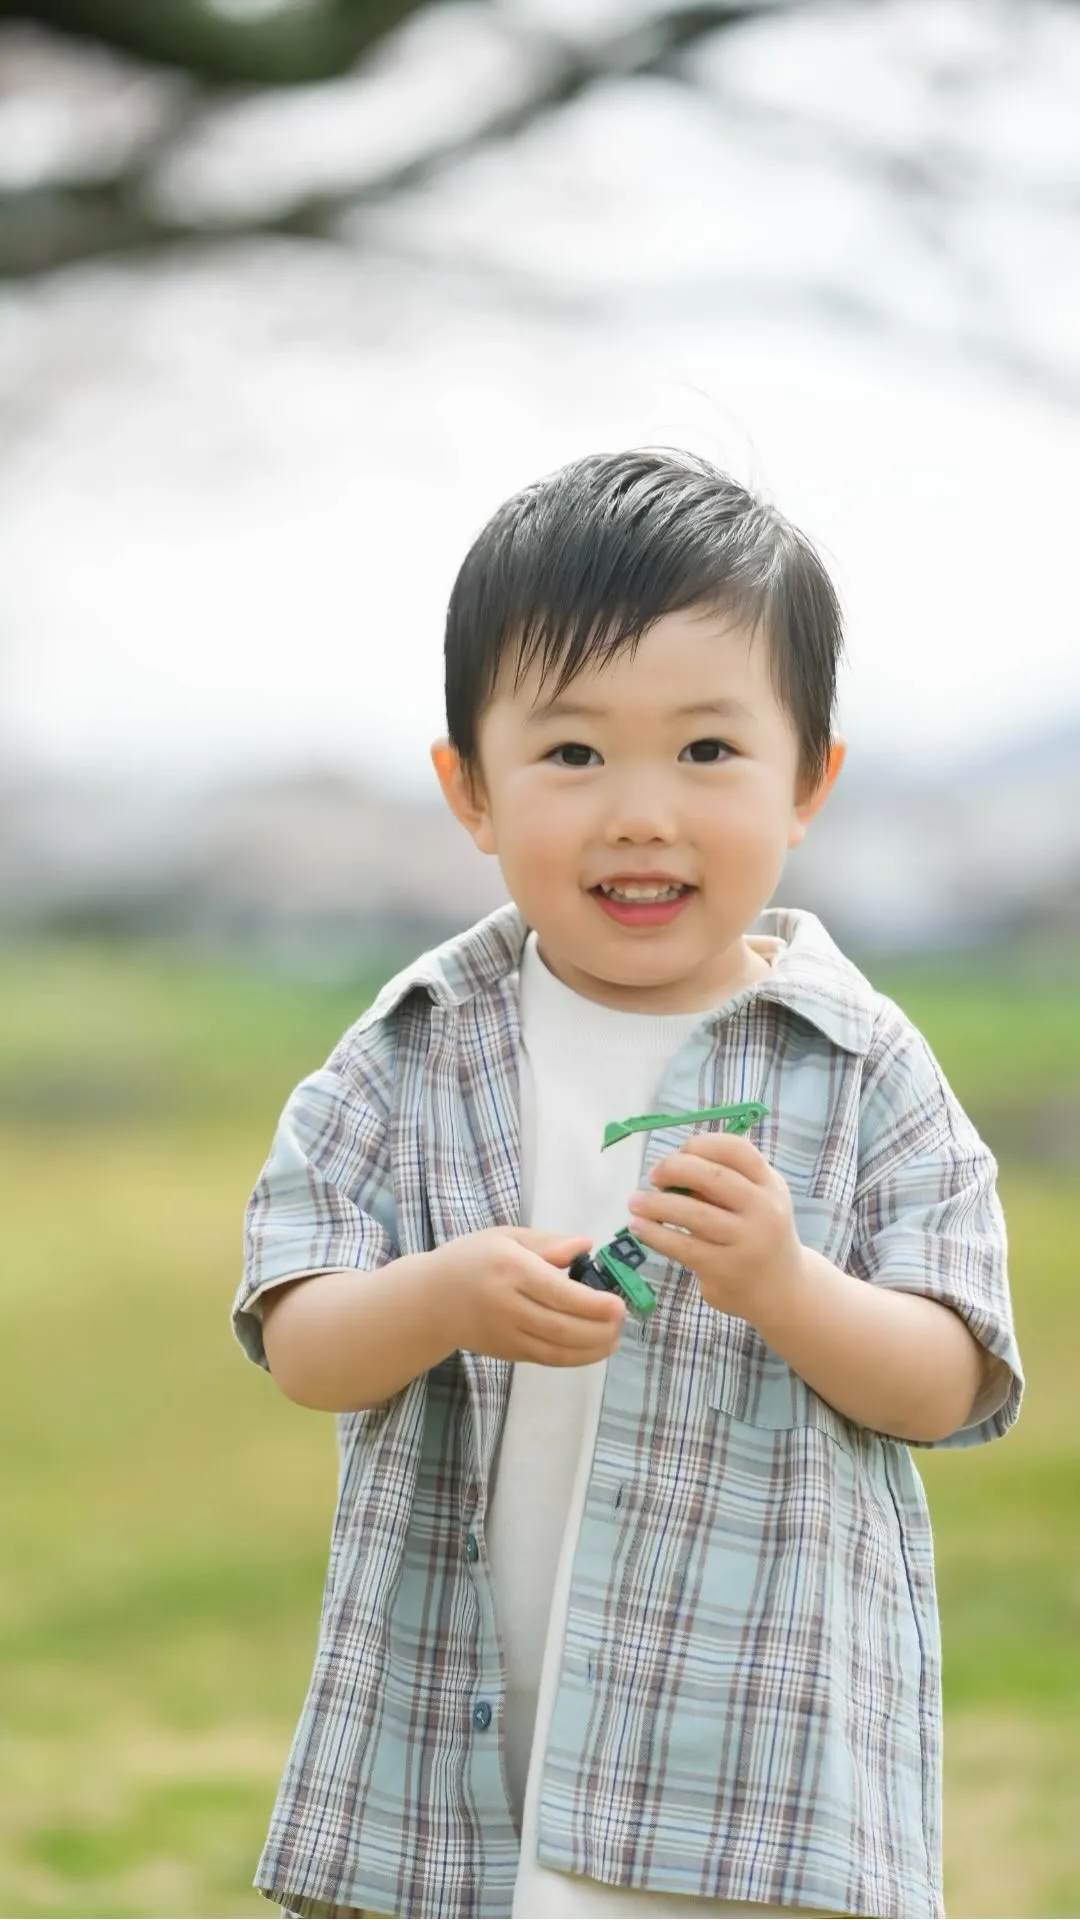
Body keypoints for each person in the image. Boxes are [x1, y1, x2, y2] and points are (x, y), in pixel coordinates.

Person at [232, 449, 1023, 1920]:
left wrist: (789, 1287)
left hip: (746, 1773)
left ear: (811, 783)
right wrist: (441, 1294)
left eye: (709, 753)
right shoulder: (407, 1050)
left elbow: (951, 1381)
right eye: (574, 754)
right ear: (469, 790)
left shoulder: (861, 1066)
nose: (641, 813)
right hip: (456, 1758)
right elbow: (299, 1337)